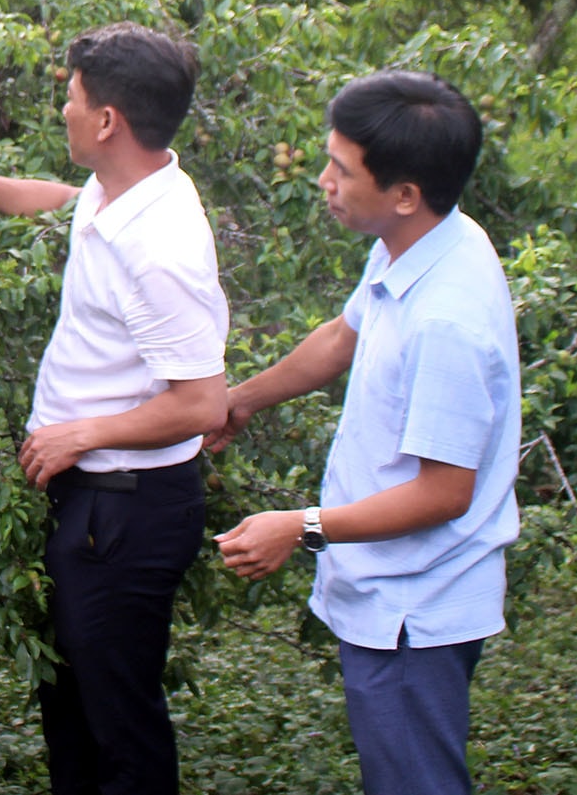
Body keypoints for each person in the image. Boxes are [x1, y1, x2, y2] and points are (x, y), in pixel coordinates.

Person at [0, 22, 228, 795]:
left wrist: (84, 432)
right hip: (94, 498)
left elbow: (203, 402)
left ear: (108, 120)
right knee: (74, 707)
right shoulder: (125, 191)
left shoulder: (161, 243)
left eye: (70, 97)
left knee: (121, 725)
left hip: (128, 508)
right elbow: (66, 202)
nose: (61, 109)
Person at [210, 70, 519, 795]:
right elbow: (341, 336)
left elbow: (444, 492)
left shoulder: (446, 316)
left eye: (341, 171)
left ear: (405, 192)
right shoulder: (422, 240)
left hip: (414, 608)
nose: (323, 181)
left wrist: (301, 526)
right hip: (392, 594)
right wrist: (241, 400)